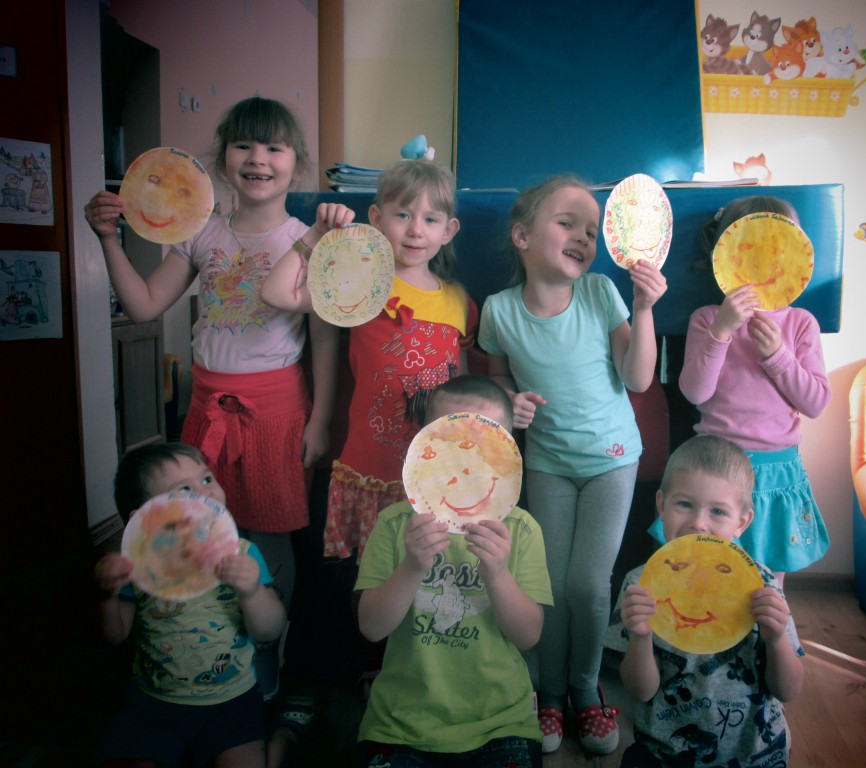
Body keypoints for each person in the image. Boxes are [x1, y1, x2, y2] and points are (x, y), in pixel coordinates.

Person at [84, 97, 339, 698]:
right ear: (223, 159)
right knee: (198, 530)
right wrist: (108, 238)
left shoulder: (309, 239)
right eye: (243, 145)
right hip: (207, 408)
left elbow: (326, 340)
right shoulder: (201, 232)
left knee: (270, 540)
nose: (258, 159)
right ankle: (200, 647)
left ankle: (268, 657)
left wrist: (321, 420)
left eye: (273, 147)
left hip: (279, 413)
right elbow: (144, 305)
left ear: (296, 162)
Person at [260, 158, 476, 759]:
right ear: (377, 219)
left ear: (449, 231)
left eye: (430, 219)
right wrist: (316, 236)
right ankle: (319, 683)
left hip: (428, 482)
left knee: (414, 580)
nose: (415, 229)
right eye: (402, 215)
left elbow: (463, 391)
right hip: (363, 472)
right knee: (344, 583)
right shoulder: (357, 279)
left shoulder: (460, 301)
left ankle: (394, 676)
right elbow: (278, 295)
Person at [477, 175, 667, 755]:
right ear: (522, 237)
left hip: (612, 461)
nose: (584, 237)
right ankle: (552, 691)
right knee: (552, 585)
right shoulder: (499, 311)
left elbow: (637, 378)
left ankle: (585, 686)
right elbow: (498, 377)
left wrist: (643, 308)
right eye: (568, 224)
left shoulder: (601, 293)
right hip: (548, 464)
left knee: (586, 584)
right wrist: (511, 400)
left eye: (591, 230)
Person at [355, 373, 553, 767]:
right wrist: (412, 566)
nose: (464, 463)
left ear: (507, 454)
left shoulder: (522, 529)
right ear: (422, 448)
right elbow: (371, 628)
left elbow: (529, 636)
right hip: (401, 722)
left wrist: (497, 574)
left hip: (501, 722)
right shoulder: (395, 525)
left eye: (483, 447)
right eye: (447, 443)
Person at [605, 435, 805, 768]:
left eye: (718, 511)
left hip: (754, 754)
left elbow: (788, 690)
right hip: (664, 754)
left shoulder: (763, 586)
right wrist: (640, 636)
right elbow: (640, 691)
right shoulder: (641, 585)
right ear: (662, 505)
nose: (699, 522)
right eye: (684, 504)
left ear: (742, 522)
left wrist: (776, 639)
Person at [93, 443, 287, 768]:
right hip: (152, 705)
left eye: (207, 479)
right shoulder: (133, 565)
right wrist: (107, 595)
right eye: (184, 490)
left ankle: (283, 738)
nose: (205, 493)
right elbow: (115, 635)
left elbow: (270, 630)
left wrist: (252, 591)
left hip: (232, 702)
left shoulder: (242, 554)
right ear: (143, 518)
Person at [678, 195, 831, 586]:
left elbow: (815, 403)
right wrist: (722, 331)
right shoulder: (707, 319)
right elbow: (695, 392)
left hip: (775, 470)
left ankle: (772, 626)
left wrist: (778, 356)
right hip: (716, 466)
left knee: (767, 583)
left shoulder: (800, 323)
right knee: (706, 573)